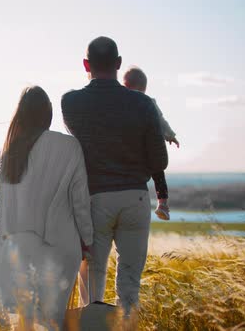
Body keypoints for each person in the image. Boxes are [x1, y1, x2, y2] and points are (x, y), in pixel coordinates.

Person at [61, 37, 168, 322]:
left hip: (94, 198)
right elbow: (160, 161)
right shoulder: (143, 104)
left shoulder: (70, 103)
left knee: (92, 282)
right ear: (119, 64)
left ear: (86, 64)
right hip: (135, 197)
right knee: (130, 282)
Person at [0, 86, 93, 330]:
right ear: (48, 114)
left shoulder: (8, 149)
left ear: (19, 114)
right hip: (60, 247)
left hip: (16, 248)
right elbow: (80, 201)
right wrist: (88, 240)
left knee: (22, 321)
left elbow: (4, 205)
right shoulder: (69, 145)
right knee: (51, 320)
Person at [124, 66, 179, 221]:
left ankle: (163, 204)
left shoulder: (142, 102)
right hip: (144, 148)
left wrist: (170, 134)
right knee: (158, 172)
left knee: (157, 170)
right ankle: (162, 203)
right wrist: (170, 135)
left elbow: (161, 121)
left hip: (137, 147)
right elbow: (161, 121)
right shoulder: (145, 102)